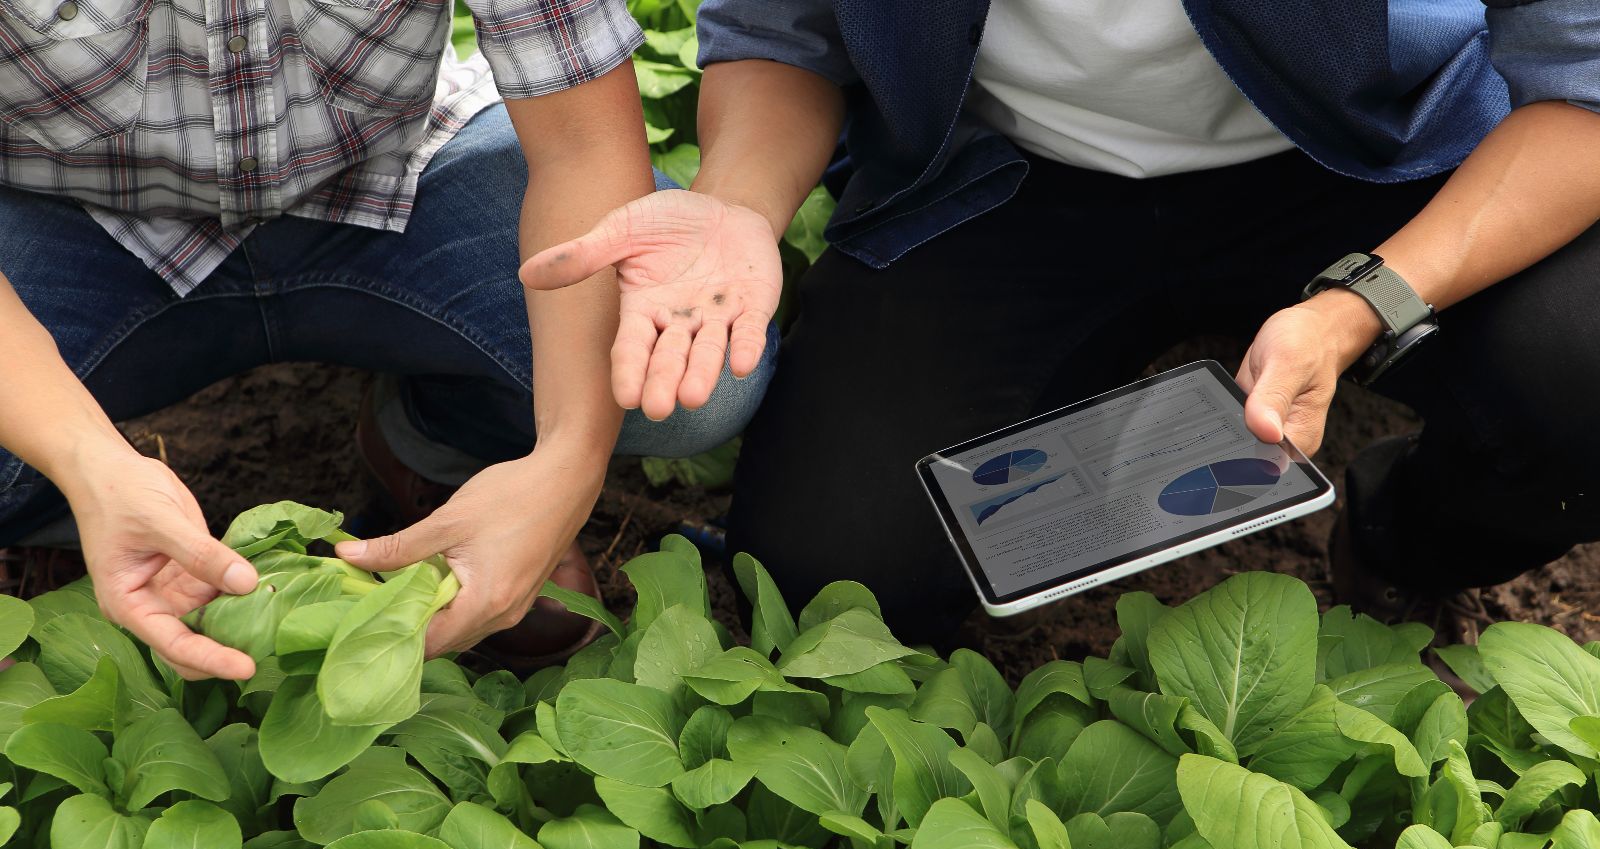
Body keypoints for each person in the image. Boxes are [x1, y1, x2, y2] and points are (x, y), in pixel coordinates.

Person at [524, 0, 1600, 645]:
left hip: (1360, 158)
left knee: (1579, 376)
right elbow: (784, 34)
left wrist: (1364, 302)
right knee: (839, 574)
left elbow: (1582, 84)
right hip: (1011, 178)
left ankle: (1402, 537)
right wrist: (738, 204)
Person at [0, 0, 773, 678]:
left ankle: (442, 447)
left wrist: (568, 457)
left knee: (683, 371)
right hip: (72, 217)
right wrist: (83, 459)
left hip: (393, 177)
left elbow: (581, 144)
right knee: (36, 444)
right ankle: (65, 512)